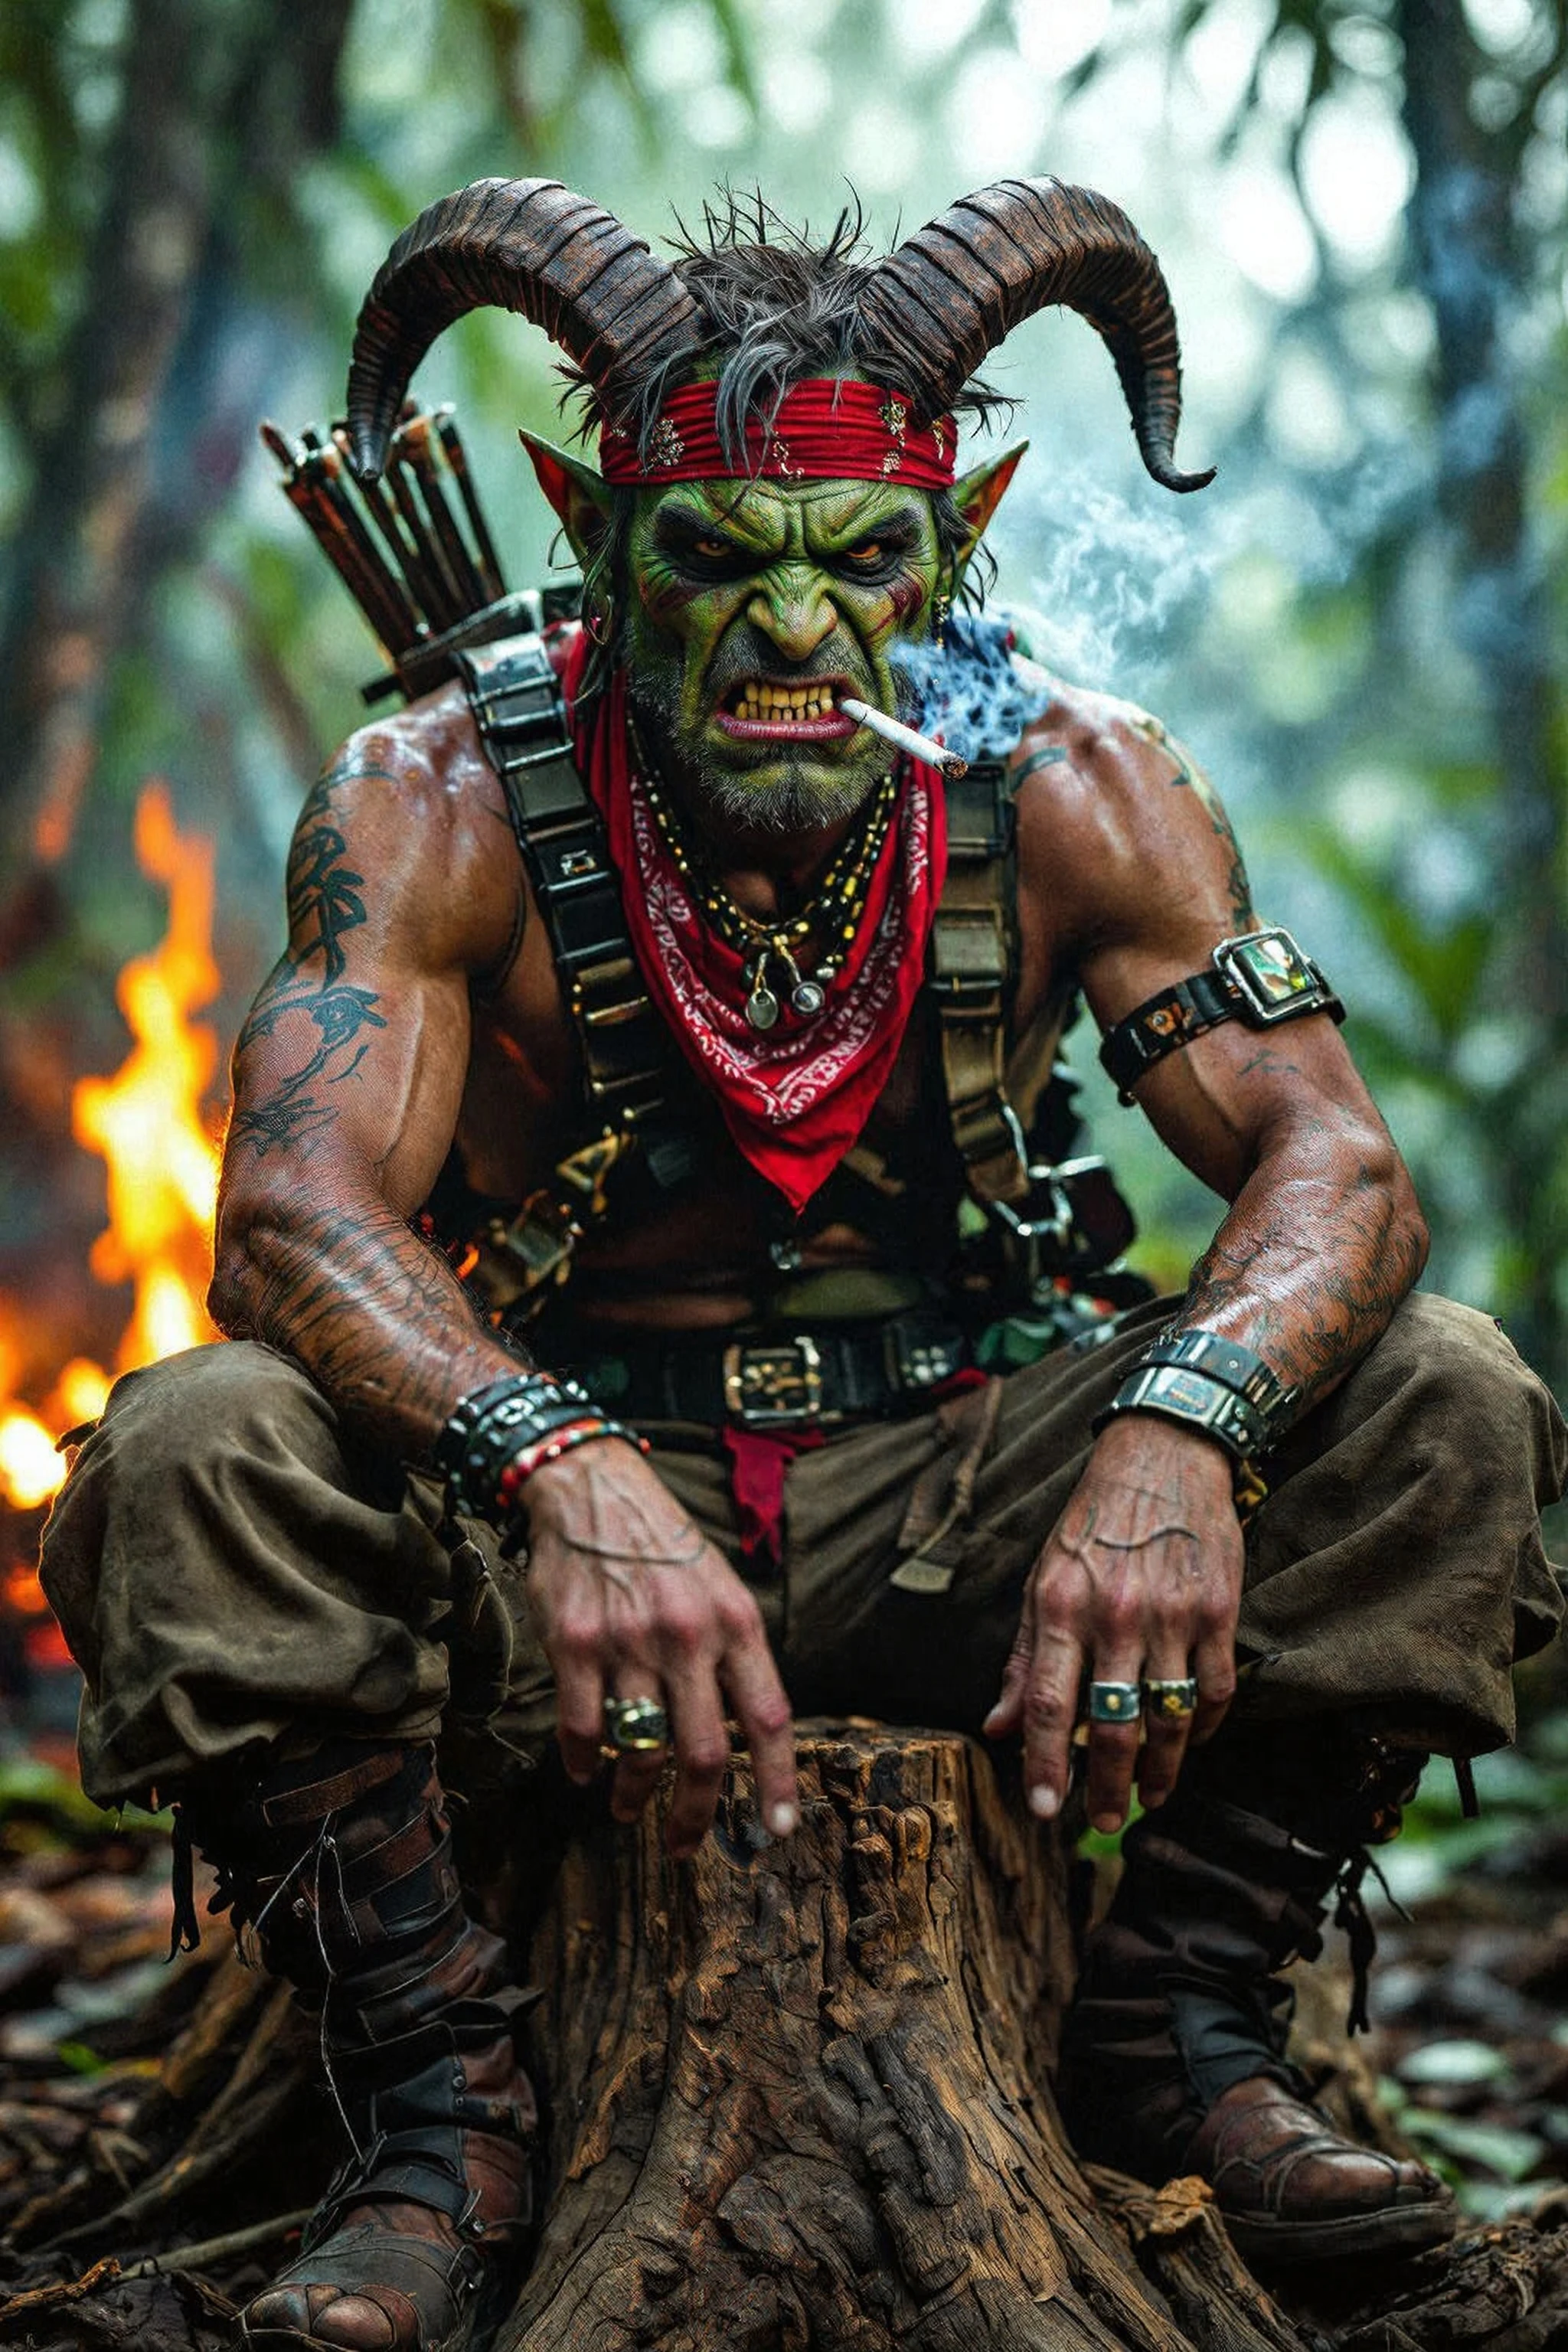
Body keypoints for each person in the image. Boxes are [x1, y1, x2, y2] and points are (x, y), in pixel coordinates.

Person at [41, 177, 1565, 2350]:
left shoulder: (1072, 783)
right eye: (715, 566)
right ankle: (441, 2115)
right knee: (195, 1446)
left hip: (970, 1512)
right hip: (543, 1565)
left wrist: (1178, 1433)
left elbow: (1337, 1163)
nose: (793, 635)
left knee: (1454, 1401)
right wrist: (551, 1465)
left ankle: (1176, 2023)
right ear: (598, 542)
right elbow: (291, 1218)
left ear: (961, 546)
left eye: (864, 564)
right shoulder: (435, 796)